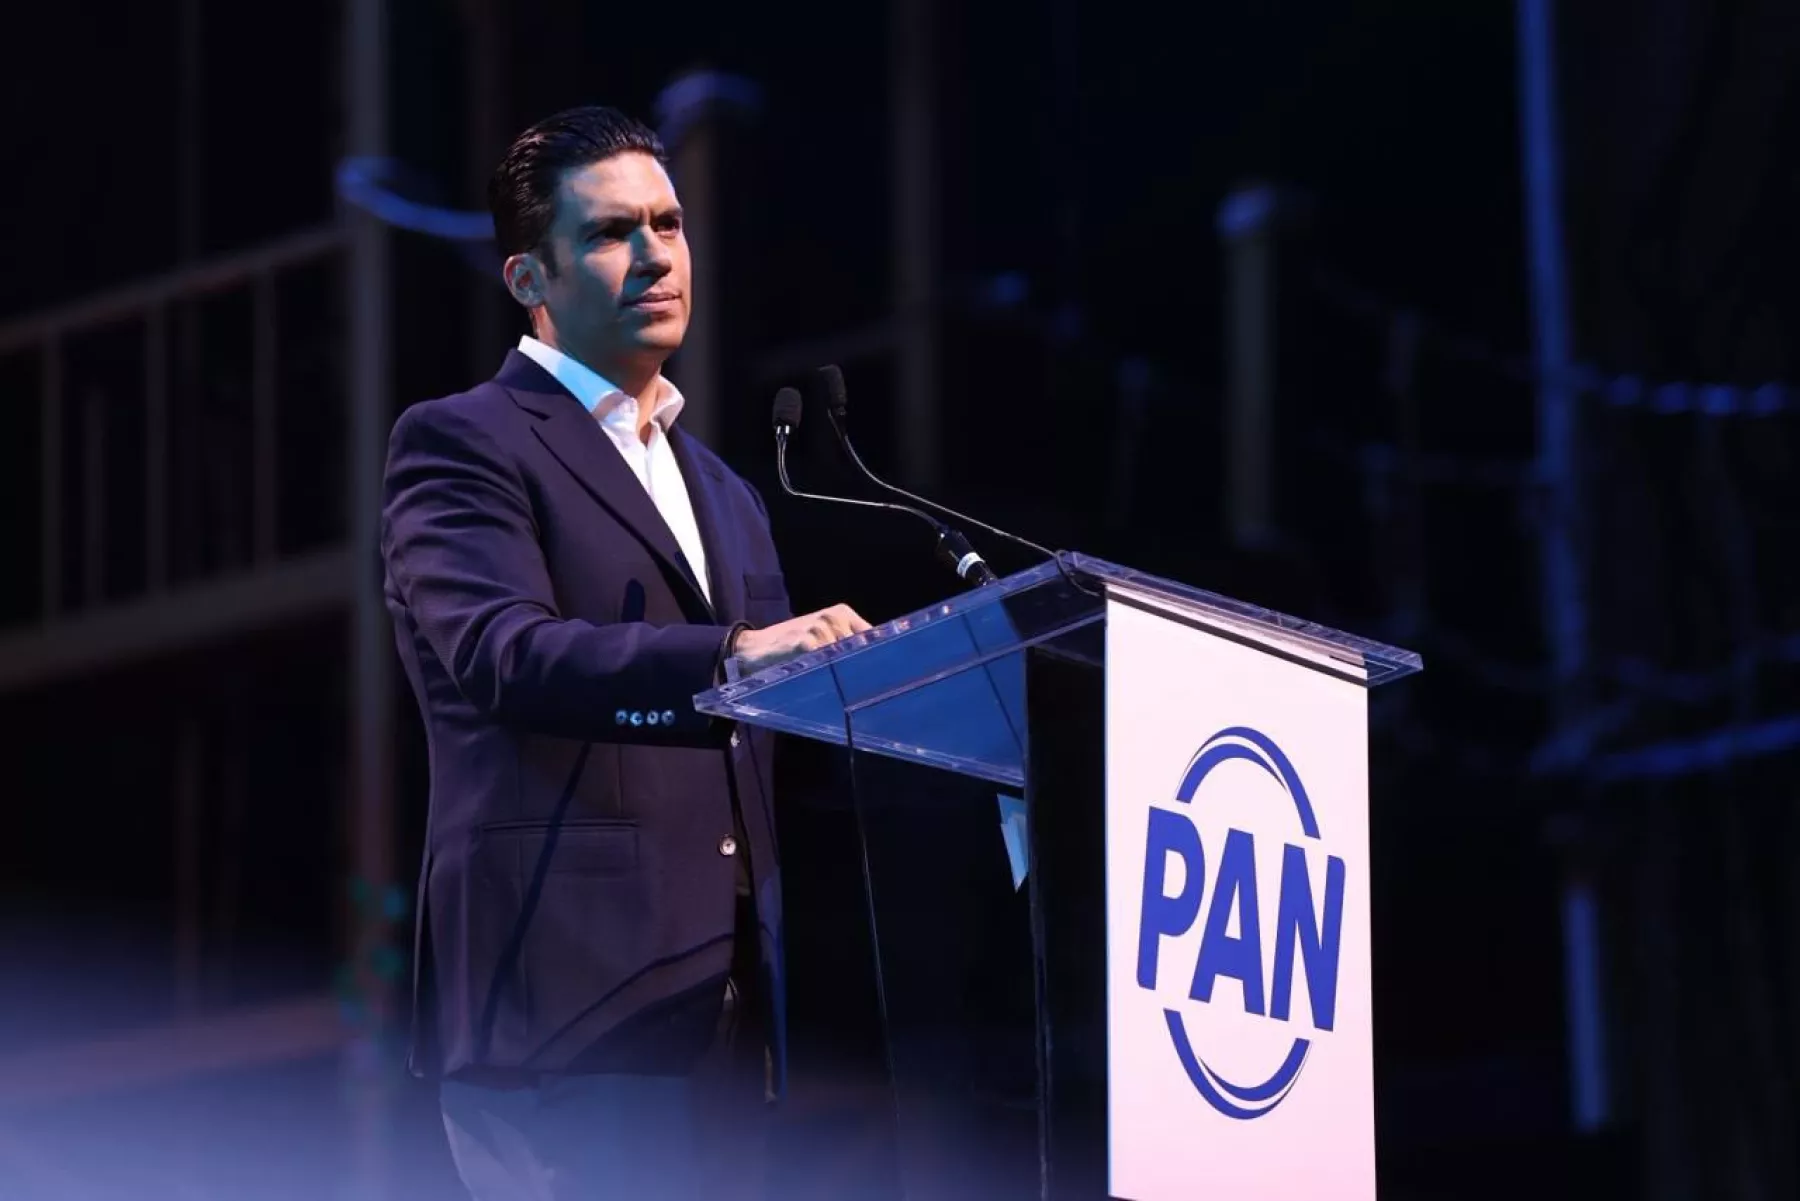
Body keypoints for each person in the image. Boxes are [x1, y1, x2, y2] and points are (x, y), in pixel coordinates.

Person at [380, 104, 871, 1200]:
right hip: (563, 1000)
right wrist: (733, 657)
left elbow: (765, 737)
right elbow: (504, 655)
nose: (654, 254)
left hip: (725, 1013)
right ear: (528, 278)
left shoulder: (730, 494)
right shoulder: (463, 440)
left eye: (668, 223)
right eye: (610, 232)